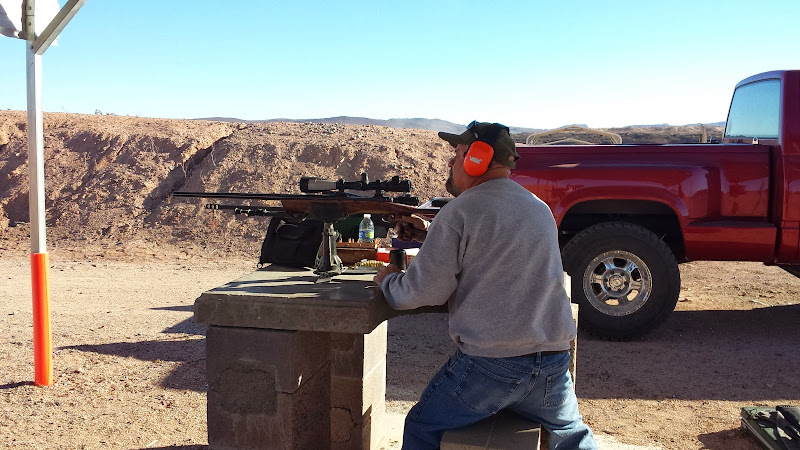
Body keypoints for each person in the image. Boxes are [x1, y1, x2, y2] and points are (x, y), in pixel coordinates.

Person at [373, 121, 598, 449]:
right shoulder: (537, 207)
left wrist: (388, 280)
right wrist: (431, 234)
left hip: (491, 367)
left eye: (457, 154)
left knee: (421, 426)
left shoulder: (460, 211)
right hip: (552, 362)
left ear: (477, 157)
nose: (451, 162)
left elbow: (421, 292)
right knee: (571, 434)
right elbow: (498, 246)